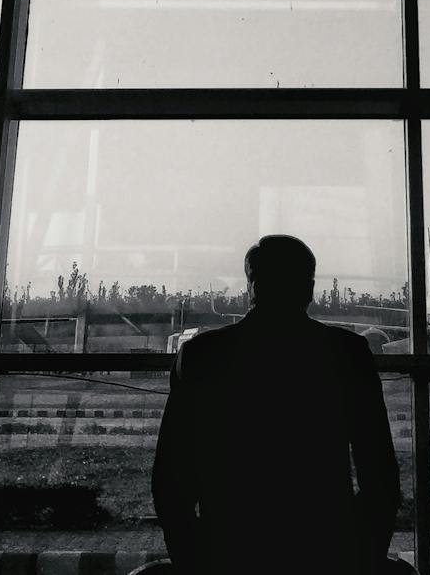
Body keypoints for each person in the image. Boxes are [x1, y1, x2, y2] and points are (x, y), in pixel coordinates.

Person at [152, 235, 400, 575]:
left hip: (228, 545)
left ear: (252, 286)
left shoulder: (201, 356)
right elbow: (380, 475)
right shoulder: (348, 354)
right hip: (324, 545)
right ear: (309, 289)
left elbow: (171, 479)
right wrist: (362, 556)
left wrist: (191, 557)